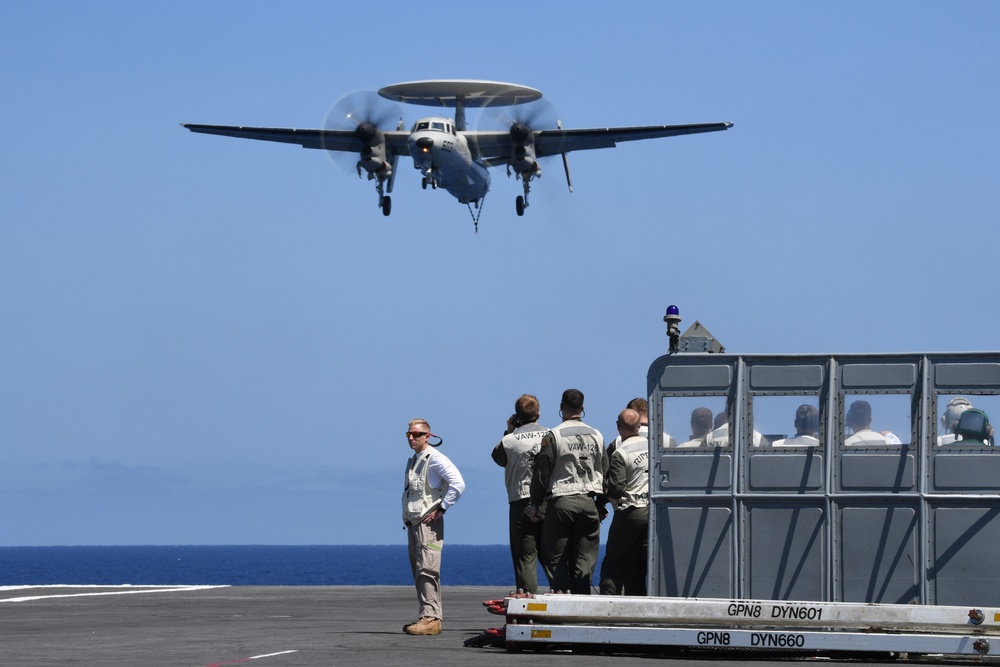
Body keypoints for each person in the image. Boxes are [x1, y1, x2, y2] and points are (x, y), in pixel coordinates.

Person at [529, 388, 608, 594]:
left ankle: (562, 598)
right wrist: (602, 503)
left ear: (561, 407)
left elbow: (542, 473)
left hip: (561, 502)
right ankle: (582, 601)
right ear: (583, 408)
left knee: (555, 557)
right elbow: (605, 471)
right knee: (584, 559)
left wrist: (535, 504)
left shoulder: (553, 436)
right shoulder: (597, 435)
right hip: (588, 502)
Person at [401, 418, 465, 636]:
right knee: (419, 570)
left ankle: (431, 618)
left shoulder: (435, 459)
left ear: (428, 436)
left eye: (417, 434)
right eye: (409, 434)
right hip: (415, 523)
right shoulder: (416, 460)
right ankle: (427, 616)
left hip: (428, 524)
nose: (411, 437)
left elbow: (458, 483)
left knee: (427, 569)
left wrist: (442, 508)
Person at [491, 394, 547, 593]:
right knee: (552, 557)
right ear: (538, 414)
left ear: (517, 416)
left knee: (525, 558)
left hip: (521, 500)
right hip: (549, 501)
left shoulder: (509, 441)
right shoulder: (551, 435)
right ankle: (562, 597)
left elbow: (498, 459)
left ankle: (528, 602)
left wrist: (509, 430)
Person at [599, 409, 649, 596]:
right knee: (641, 561)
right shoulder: (652, 446)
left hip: (630, 511)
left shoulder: (620, 453)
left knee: (615, 560)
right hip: (652, 511)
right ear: (639, 426)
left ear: (619, 427)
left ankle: (608, 599)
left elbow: (617, 488)